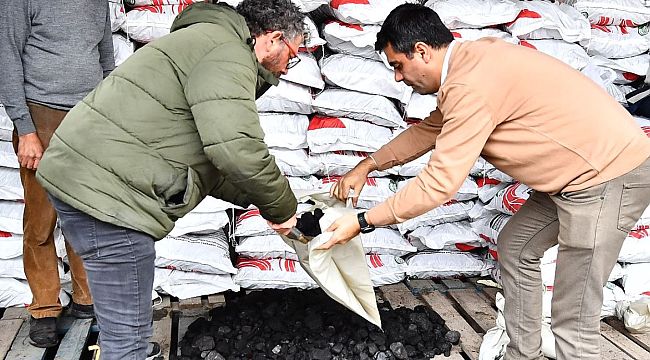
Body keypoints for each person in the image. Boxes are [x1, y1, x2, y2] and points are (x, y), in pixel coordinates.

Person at [326, 4, 650, 360]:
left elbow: (440, 182)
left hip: (605, 178)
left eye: (398, 66)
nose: (398, 79)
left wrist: (362, 222)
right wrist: (369, 164)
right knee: (517, 247)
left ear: (421, 50)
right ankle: (520, 353)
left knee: (573, 315)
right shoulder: (469, 63)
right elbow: (431, 130)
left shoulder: (469, 84)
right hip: (571, 179)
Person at [35, 0, 302, 358]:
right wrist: (284, 210)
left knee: (123, 328)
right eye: (292, 56)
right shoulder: (228, 52)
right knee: (126, 340)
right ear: (273, 39)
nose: (287, 67)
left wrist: (260, 200)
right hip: (110, 199)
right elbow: (235, 148)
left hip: (85, 180)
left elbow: (209, 160)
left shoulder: (205, 39)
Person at [0, 0, 114, 348]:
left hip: (90, 116)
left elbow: (106, 54)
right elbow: (6, 56)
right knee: (41, 218)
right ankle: (45, 308)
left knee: (86, 212)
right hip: (41, 116)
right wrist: (26, 128)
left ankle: (85, 298)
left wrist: (111, 111)